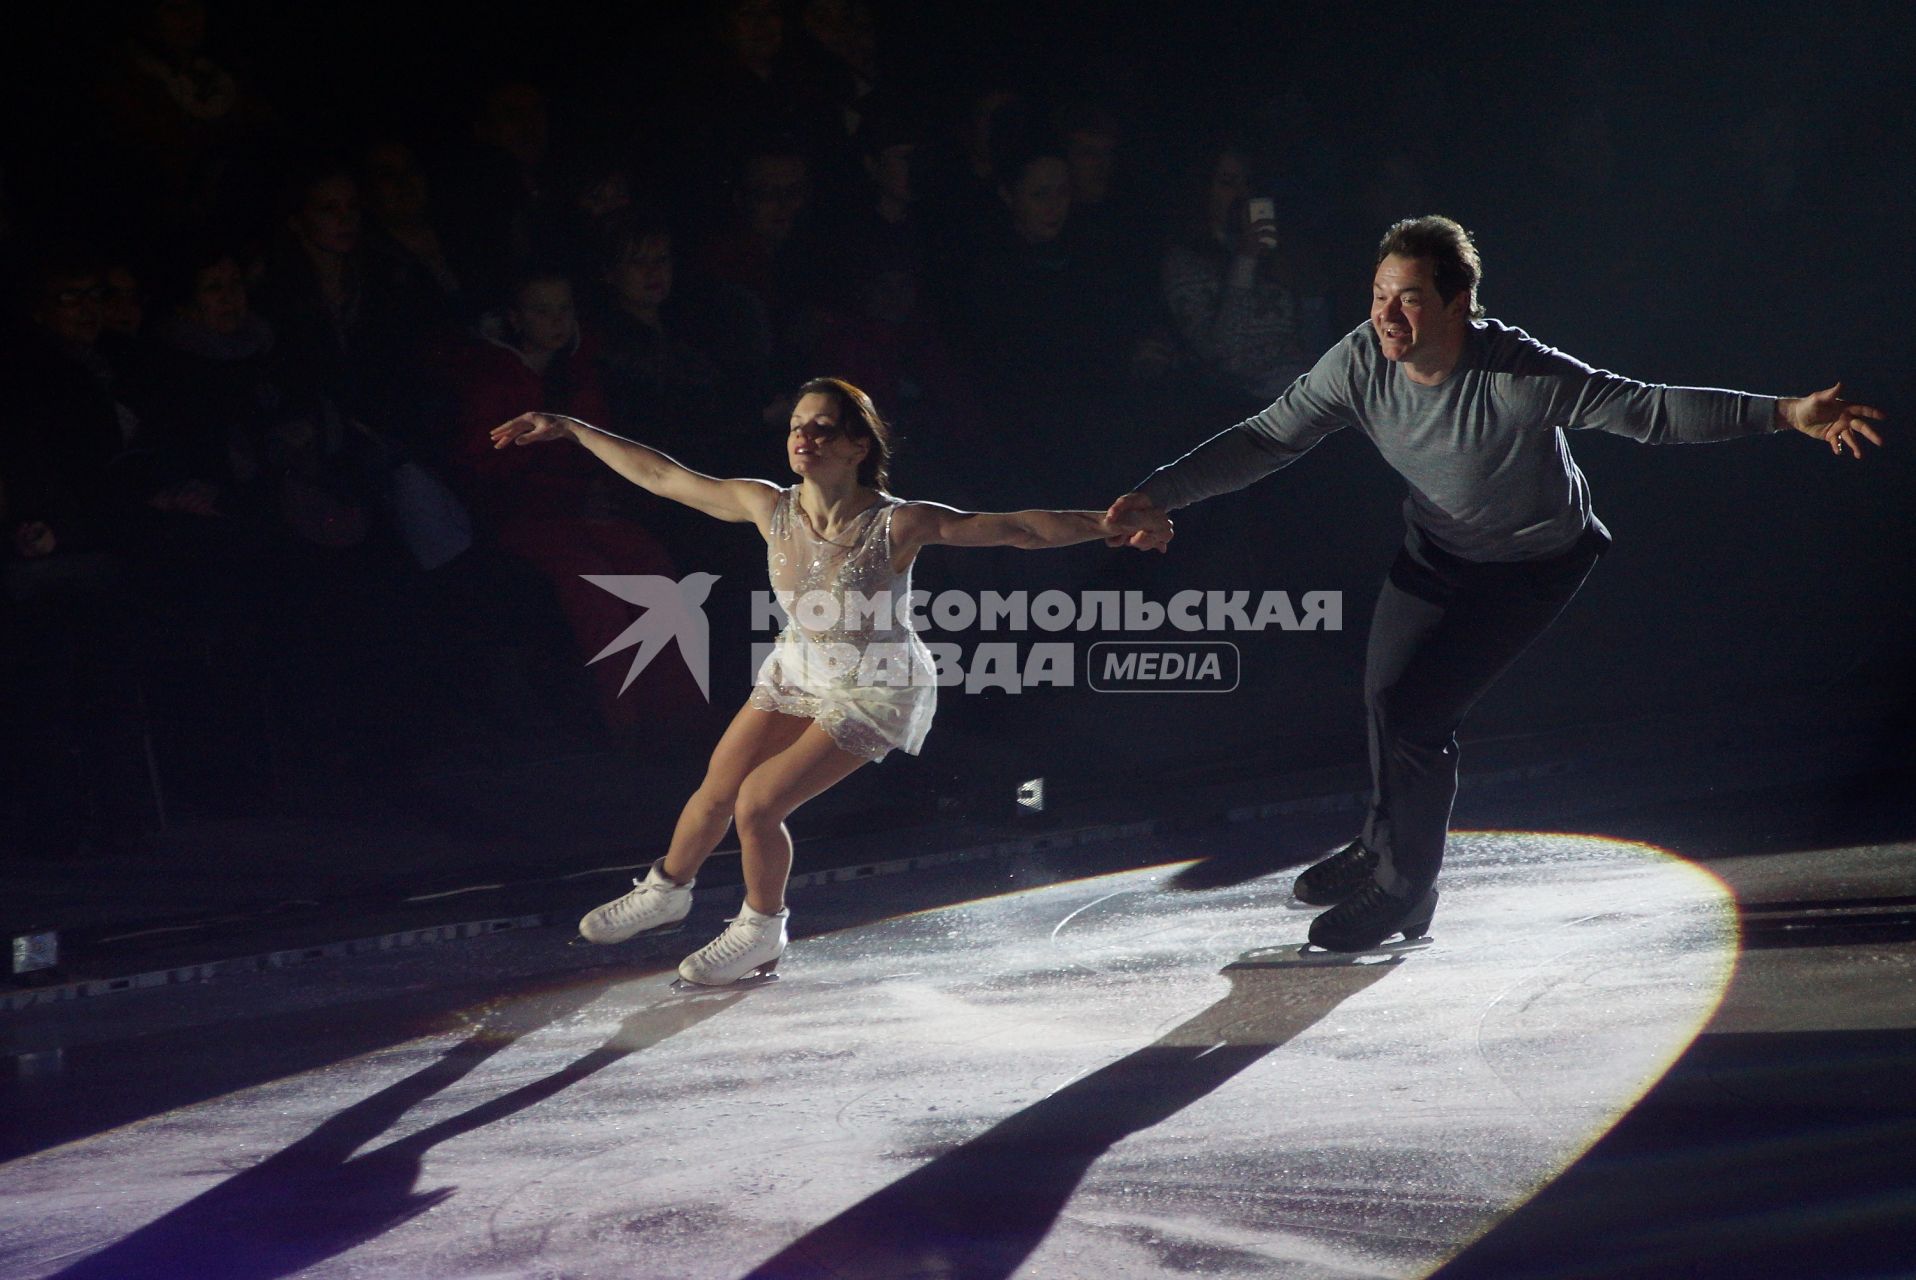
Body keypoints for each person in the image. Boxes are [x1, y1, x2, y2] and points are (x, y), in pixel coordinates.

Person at [1105, 215, 1888, 953]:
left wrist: (1787, 413)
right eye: (1379, 296)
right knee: (1384, 700)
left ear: (1459, 304)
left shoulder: (1516, 374)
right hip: (1437, 550)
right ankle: (1381, 842)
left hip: (1531, 567)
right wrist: (1161, 492)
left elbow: (1646, 410)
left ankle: (1406, 890)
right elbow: (1268, 436)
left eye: (1409, 299)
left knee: (1415, 717)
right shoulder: (1356, 364)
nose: (1387, 316)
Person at [489, 376, 1119, 984]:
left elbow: (1020, 529)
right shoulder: (768, 505)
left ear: (858, 447)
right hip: (802, 666)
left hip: (876, 684)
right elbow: (663, 477)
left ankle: (763, 928)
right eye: (797, 426)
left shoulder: (897, 523)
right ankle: (667, 891)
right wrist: (572, 430)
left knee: (758, 804)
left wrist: (1110, 523)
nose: (804, 437)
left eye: (823, 428)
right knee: (719, 785)